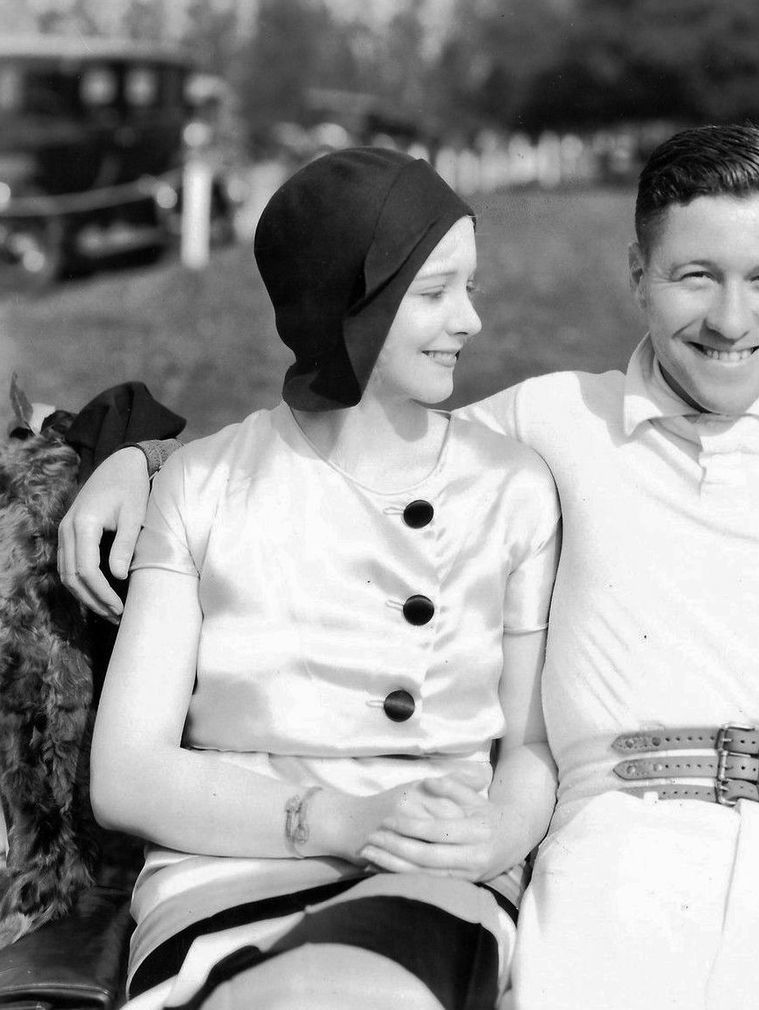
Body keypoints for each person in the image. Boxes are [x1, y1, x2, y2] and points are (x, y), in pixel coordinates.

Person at [63, 125, 759, 1009]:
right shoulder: (556, 420)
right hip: (616, 856)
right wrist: (139, 457)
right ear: (639, 276)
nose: (733, 320)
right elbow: (351, 437)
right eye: (695, 276)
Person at [87, 148, 561, 1010]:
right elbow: (125, 774)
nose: (470, 321)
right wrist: (336, 818)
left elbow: (530, 745)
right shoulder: (207, 484)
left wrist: (495, 838)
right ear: (346, 300)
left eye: (471, 287)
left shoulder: (511, 487)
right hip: (225, 860)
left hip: (432, 866)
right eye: (434, 292)